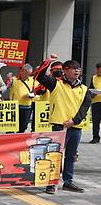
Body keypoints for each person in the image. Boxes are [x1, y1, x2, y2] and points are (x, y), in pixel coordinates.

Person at [36, 55, 91, 194]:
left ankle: (68, 181)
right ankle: (51, 183)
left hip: (75, 127)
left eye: (78, 69)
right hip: (59, 126)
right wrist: (48, 61)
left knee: (71, 156)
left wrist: (74, 121)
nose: (77, 71)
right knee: (55, 155)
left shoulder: (84, 88)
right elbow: (39, 76)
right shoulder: (55, 84)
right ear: (64, 70)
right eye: (73, 69)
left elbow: (85, 107)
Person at [7, 64, 36, 133]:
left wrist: (32, 95)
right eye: (25, 74)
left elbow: (35, 91)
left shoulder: (32, 80)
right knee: (11, 127)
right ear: (22, 71)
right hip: (14, 106)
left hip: (27, 106)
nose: (27, 76)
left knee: (23, 126)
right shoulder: (14, 79)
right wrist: (8, 80)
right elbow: (6, 87)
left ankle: (19, 138)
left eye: (28, 74)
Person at [89, 63, 101, 144]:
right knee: (95, 121)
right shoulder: (93, 77)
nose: (98, 72)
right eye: (98, 70)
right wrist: (92, 93)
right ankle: (95, 137)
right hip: (96, 102)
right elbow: (91, 88)